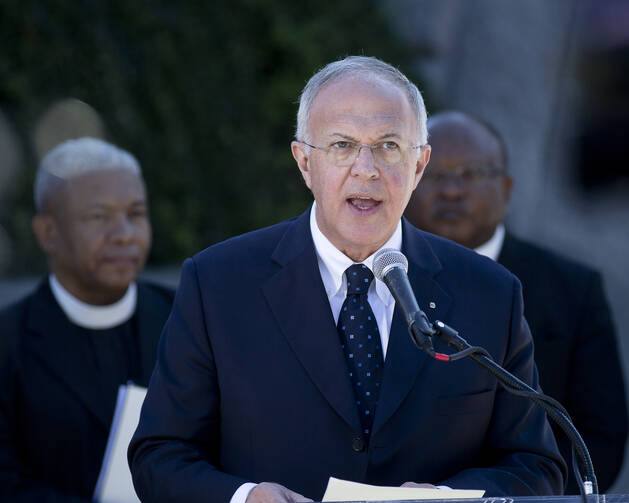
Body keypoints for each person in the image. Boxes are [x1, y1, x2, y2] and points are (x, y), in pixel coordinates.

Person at [129, 56, 565, 503]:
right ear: (304, 162)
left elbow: (536, 465)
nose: (366, 168)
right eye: (341, 145)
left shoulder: (491, 292)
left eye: (389, 146)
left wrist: (449, 498)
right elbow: (159, 456)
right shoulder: (217, 283)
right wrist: (244, 497)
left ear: (419, 166)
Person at [405, 110, 628, 493]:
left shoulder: (572, 289)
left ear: (506, 188)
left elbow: (600, 434)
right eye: (436, 175)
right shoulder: (377, 271)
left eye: (472, 174)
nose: (452, 191)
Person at [0, 137, 174, 502]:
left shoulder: (189, 317)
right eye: (99, 217)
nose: (124, 234)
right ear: (48, 232)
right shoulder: (8, 342)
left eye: (136, 214)